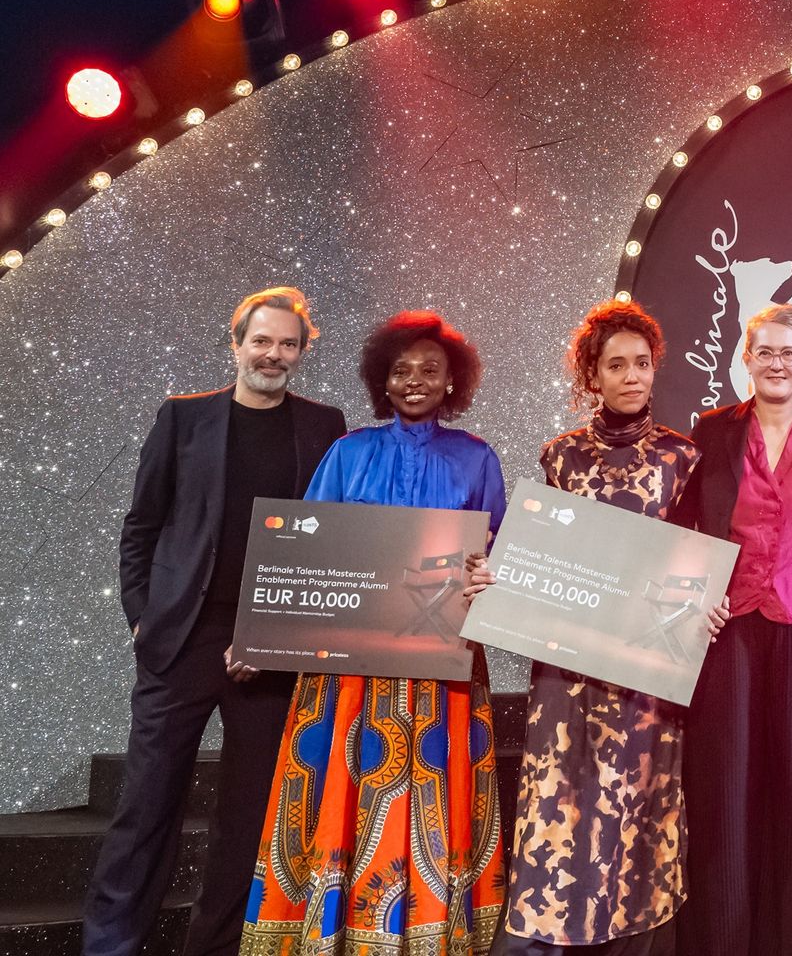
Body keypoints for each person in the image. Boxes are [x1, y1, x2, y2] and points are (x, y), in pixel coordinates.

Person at [83, 288, 345, 956]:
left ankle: (216, 945)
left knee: (247, 815)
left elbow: (330, 540)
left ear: (302, 351)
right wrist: (144, 621)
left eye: (288, 344)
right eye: (261, 341)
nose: (273, 354)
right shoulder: (182, 417)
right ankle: (113, 945)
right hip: (181, 640)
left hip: (270, 646)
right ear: (236, 344)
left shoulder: (324, 427)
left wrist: (277, 634)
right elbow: (141, 527)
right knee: (146, 807)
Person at [241, 310, 507, 955]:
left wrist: (487, 573)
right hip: (348, 669)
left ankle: (429, 933)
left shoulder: (476, 459)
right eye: (401, 370)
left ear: (452, 384)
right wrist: (262, 632)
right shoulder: (348, 451)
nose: (415, 380)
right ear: (381, 381)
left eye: (430, 370)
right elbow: (304, 553)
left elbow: (499, 561)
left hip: (442, 669)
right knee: (338, 788)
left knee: (436, 800)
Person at [490, 299, 701, 955]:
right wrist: (497, 576)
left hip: (645, 673)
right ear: (593, 375)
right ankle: (553, 936)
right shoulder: (561, 458)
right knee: (563, 807)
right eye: (617, 365)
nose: (633, 376)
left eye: (642, 363)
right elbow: (542, 557)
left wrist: (704, 601)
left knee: (640, 809)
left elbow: (695, 557)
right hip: (569, 673)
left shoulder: (682, 457)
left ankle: (635, 940)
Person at [672, 304, 792, 956]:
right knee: (727, 792)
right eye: (764, 352)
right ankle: (725, 941)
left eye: (788, 353)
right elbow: (680, 528)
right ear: (745, 360)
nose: (776, 363)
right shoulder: (711, 433)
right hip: (730, 634)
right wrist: (693, 596)